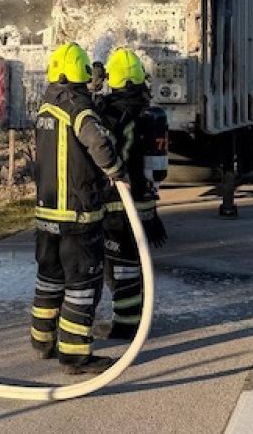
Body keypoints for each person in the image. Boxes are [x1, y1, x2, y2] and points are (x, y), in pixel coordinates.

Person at [31, 42, 128, 374]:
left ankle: (42, 342)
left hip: (47, 217)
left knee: (49, 279)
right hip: (77, 216)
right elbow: (98, 142)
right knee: (81, 287)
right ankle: (74, 356)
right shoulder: (78, 108)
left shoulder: (46, 107)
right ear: (80, 72)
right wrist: (117, 173)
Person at [95, 48, 168, 340]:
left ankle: (126, 324)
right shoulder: (148, 113)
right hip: (142, 201)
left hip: (117, 202)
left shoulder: (114, 114)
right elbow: (154, 171)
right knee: (133, 262)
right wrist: (150, 212)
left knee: (120, 266)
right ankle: (133, 317)